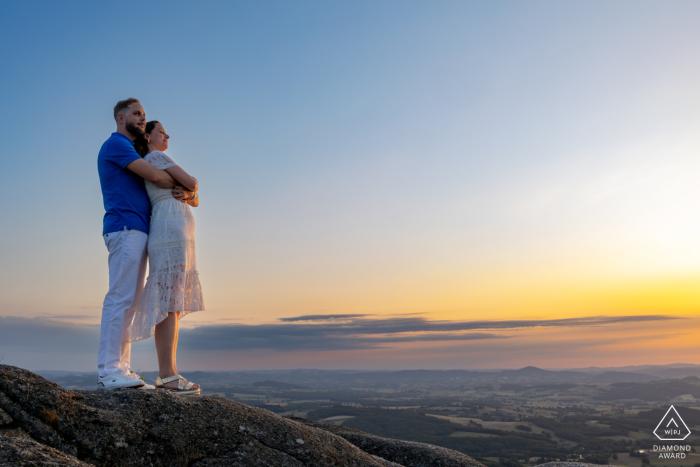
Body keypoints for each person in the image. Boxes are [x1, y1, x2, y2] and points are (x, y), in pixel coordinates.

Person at [96, 98, 179, 390]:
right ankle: (109, 370)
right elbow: (155, 175)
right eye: (136, 113)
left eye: (144, 114)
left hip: (137, 229)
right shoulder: (117, 144)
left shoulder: (130, 148)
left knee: (130, 302)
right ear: (120, 118)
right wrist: (180, 182)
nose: (142, 118)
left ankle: (121, 369)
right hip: (125, 227)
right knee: (120, 298)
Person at [130, 120, 204, 395]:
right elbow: (193, 182)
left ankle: (169, 373)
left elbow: (192, 193)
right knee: (168, 301)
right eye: (161, 131)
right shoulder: (157, 156)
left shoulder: (154, 159)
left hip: (174, 228)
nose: (167, 135)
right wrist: (191, 189)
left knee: (171, 303)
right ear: (148, 136)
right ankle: (167, 374)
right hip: (170, 229)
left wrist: (190, 195)